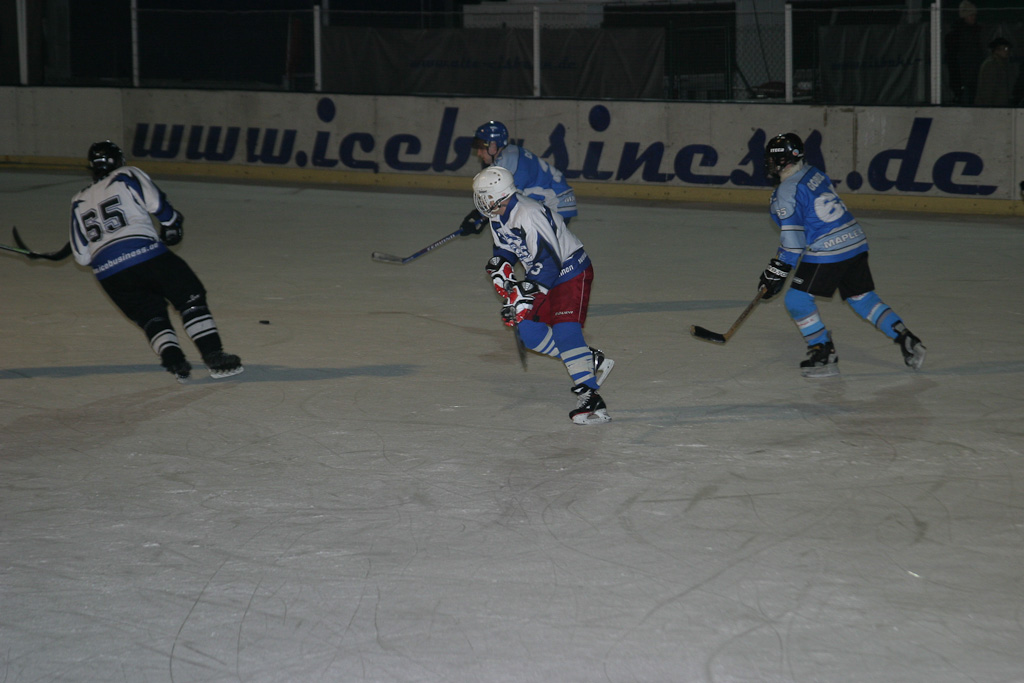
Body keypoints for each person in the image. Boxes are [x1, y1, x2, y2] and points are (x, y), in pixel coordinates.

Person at [64, 140, 243, 382]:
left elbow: (82, 256)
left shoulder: (78, 200)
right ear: (118, 161)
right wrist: (171, 223)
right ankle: (214, 356)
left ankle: (175, 362)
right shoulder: (126, 175)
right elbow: (157, 204)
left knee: (150, 316)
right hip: (146, 254)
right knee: (189, 296)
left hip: (109, 273)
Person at [758, 133, 925, 378]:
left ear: (783, 160)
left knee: (796, 300)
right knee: (861, 298)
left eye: (773, 159)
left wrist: (777, 271)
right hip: (854, 240)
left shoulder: (786, 191)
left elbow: (794, 243)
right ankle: (906, 338)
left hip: (829, 249)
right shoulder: (813, 172)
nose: (769, 164)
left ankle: (823, 353)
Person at [472, 166, 612, 424]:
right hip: (543, 275)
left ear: (497, 195)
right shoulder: (498, 214)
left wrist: (525, 292)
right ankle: (586, 358)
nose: (479, 200)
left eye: (483, 195)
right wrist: (502, 266)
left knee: (565, 330)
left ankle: (590, 396)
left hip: (570, 271)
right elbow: (507, 247)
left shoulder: (528, 213)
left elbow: (550, 261)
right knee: (529, 333)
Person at [459, 120, 578, 237]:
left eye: (481, 148)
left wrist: (479, 217)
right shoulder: (508, 155)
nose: (479, 153)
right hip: (552, 203)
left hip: (556, 204)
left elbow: (506, 202)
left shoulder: (509, 164)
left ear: (494, 145)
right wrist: (479, 216)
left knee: (530, 244)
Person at [944, 0, 985, 105]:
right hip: (963, 80)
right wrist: (958, 83)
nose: (973, 18)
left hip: (974, 78)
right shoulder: (956, 36)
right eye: (971, 15)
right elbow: (953, 61)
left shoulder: (976, 33)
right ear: (964, 16)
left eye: (974, 15)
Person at [974, 37, 1016, 106]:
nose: (1007, 51)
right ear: (996, 50)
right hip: (992, 106)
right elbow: (987, 90)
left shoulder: (1002, 65)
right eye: (1005, 48)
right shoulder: (991, 65)